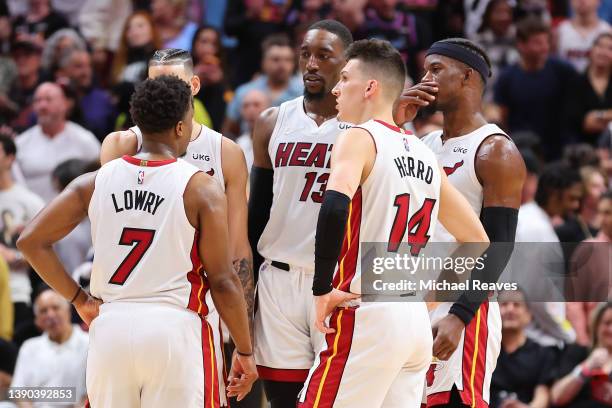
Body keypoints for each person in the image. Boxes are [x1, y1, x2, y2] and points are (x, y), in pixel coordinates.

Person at [16, 75, 258, 407]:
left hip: (110, 328)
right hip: (174, 330)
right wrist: (245, 349)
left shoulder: (95, 181)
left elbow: (30, 241)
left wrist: (79, 298)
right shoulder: (199, 187)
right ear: (179, 127)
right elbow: (223, 279)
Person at [298, 38, 489, 408]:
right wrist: (432, 298)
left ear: (370, 87)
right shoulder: (424, 153)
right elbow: (477, 240)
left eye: (346, 78)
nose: (336, 89)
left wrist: (322, 289)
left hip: (367, 313)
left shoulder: (359, 137)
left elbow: (335, 206)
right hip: (412, 321)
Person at [99, 48, 252, 408]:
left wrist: (239, 327)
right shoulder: (121, 144)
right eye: (157, 84)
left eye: (175, 83)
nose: (166, 92)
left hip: (196, 311)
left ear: (195, 85)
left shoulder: (224, 151)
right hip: (135, 305)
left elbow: (238, 248)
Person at [396, 37, 526, 407]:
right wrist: (397, 119)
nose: (425, 79)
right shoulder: (423, 144)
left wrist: (459, 316)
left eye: (435, 69)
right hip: (416, 303)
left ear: (467, 76)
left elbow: (500, 245)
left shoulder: (495, 150)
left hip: (463, 307)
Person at [248, 19, 353, 407]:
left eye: (324, 55)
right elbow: (256, 214)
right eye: (306, 54)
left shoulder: (367, 127)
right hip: (278, 279)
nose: (311, 63)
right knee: (283, 401)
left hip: (340, 281)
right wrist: (246, 298)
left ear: (348, 64)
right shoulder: (272, 121)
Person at [494, 16, 577, 160]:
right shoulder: (507, 77)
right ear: (521, 45)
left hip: (559, 150)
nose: (545, 47)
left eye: (546, 42)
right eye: (538, 43)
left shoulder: (564, 71)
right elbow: (502, 116)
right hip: (522, 151)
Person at [13, 82, 100, 203]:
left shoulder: (85, 139)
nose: (42, 105)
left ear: (65, 104)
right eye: (37, 100)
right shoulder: (20, 143)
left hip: (75, 216)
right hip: (33, 216)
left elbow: (101, 178)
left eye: (48, 99)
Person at [10, 289, 89, 406]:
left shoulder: (88, 343)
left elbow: (92, 393)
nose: (50, 315)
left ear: (68, 311)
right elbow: (18, 392)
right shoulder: (29, 347)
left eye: (55, 308)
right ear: (37, 320)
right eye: (43, 311)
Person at [0, 134, 43, 342]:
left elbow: (46, 246)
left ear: (10, 158)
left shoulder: (30, 201)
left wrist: (20, 257)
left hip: (17, 290)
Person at [222, 33, 303, 139]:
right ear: (263, 62)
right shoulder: (245, 92)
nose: (282, 65)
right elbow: (228, 130)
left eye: (288, 60)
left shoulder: (304, 92)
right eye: (275, 59)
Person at [490, 289, 555, 408]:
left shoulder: (543, 354)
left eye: (517, 305)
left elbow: (542, 396)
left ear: (529, 315)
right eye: (504, 304)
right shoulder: (483, 351)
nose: (510, 309)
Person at [551, 302, 612, 406]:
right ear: (596, 325)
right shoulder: (578, 352)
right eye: (607, 323)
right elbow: (557, 397)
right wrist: (586, 367)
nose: (611, 329)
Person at [55, 48, 116, 141]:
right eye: (79, 66)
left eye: (89, 66)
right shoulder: (52, 99)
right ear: (63, 71)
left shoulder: (104, 99)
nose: (86, 72)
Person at [564, 32, 612, 146]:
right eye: (599, 46)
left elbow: (591, 120)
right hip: (582, 146)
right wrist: (608, 117)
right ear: (591, 50)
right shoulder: (575, 83)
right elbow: (586, 124)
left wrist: (598, 116)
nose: (603, 52)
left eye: (610, 48)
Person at [556, 0, 611, 73]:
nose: (582, 1)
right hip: (566, 82)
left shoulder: (608, 31)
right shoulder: (559, 32)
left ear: (599, 1)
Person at [110, 11, 162, 86]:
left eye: (140, 26)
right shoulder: (119, 62)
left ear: (152, 30)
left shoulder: (160, 61)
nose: (134, 31)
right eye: (129, 28)